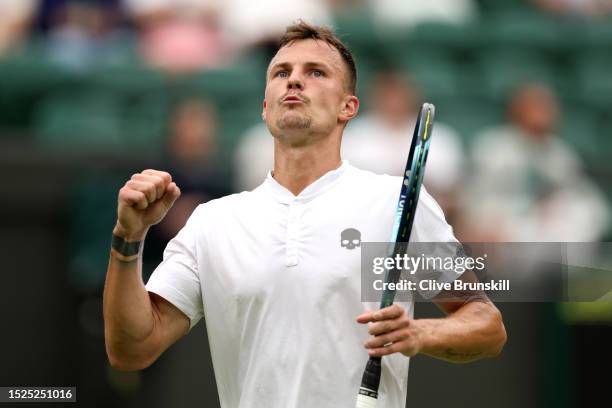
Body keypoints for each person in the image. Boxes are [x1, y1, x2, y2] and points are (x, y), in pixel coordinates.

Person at [103, 21, 506, 408]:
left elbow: (486, 325)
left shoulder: (393, 203)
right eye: (281, 72)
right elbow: (133, 348)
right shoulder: (214, 222)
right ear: (265, 107)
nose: (294, 80)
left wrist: (419, 333)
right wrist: (128, 238)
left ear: (348, 107)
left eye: (316, 72)